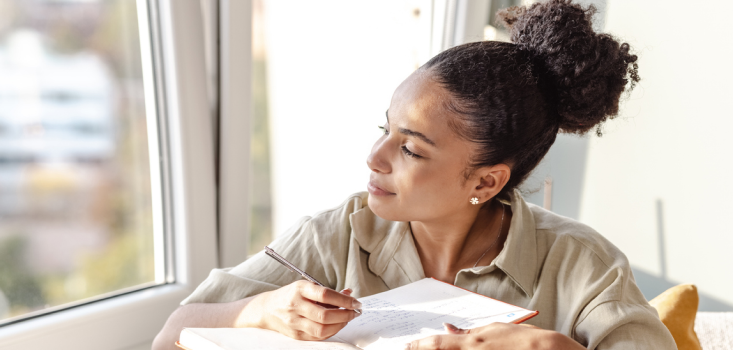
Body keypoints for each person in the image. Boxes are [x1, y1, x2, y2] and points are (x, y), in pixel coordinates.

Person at [153, 0, 677, 349]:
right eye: (385, 129)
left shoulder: (583, 265)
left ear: (485, 182)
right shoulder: (338, 234)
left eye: (411, 149)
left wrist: (554, 347)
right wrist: (264, 310)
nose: (374, 158)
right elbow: (172, 334)